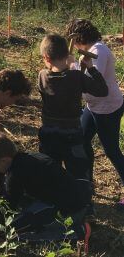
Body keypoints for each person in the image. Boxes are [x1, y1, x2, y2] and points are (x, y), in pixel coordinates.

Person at [0, 133, 91, 245]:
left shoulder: (15, 173)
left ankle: (77, 233)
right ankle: (76, 221)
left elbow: (9, 203)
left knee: (17, 234)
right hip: (77, 201)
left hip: (68, 210)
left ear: (4, 160)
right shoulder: (30, 157)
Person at [67, 19, 124, 210]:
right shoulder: (90, 50)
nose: (73, 44)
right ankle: (87, 182)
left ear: (79, 38)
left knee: (112, 151)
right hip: (93, 107)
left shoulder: (99, 51)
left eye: (73, 39)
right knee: (82, 140)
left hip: (108, 107)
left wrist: (71, 66)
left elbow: (92, 84)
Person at [38, 34, 107, 184]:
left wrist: (70, 69)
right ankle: (82, 199)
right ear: (66, 54)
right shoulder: (76, 77)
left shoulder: (42, 76)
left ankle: (52, 199)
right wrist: (90, 68)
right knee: (78, 173)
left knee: (50, 170)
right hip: (72, 134)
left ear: (46, 58)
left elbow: (61, 79)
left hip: (48, 133)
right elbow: (102, 91)